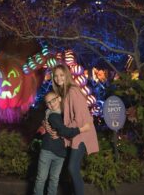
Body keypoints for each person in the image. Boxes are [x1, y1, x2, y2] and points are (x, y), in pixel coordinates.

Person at [48, 64, 99, 195]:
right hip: (76, 132)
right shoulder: (64, 92)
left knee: (72, 167)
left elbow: (80, 119)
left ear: (67, 75)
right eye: (55, 76)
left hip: (82, 132)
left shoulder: (72, 91)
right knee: (71, 168)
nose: (58, 78)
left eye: (61, 75)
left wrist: (62, 132)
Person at [33, 91, 90, 195]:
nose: (51, 104)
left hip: (60, 154)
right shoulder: (53, 115)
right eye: (48, 102)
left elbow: (66, 128)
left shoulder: (65, 114)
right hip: (47, 151)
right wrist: (82, 129)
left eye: (53, 100)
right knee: (41, 178)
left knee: (54, 180)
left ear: (59, 99)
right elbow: (64, 131)